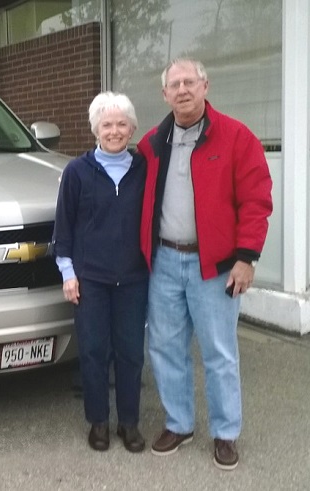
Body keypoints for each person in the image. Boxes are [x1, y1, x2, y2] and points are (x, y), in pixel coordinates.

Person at [136, 59, 273, 470]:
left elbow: (257, 200)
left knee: (219, 352)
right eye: (174, 84)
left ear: (205, 85)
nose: (182, 90)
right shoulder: (151, 143)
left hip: (214, 266)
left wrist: (246, 258)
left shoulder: (236, 137)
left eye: (189, 82)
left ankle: (226, 432)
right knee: (164, 347)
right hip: (164, 262)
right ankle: (179, 423)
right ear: (164, 94)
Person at [54, 91, 148, 453]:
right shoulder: (77, 172)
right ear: (95, 129)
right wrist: (68, 273)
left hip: (133, 278)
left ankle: (129, 422)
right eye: (106, 124)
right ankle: (98, 422)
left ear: (132, 128)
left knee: (130, 352)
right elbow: (63, 229)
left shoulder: (143, 169)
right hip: (90, 278)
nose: (114, 131)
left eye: (121, 124)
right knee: (93, 351)